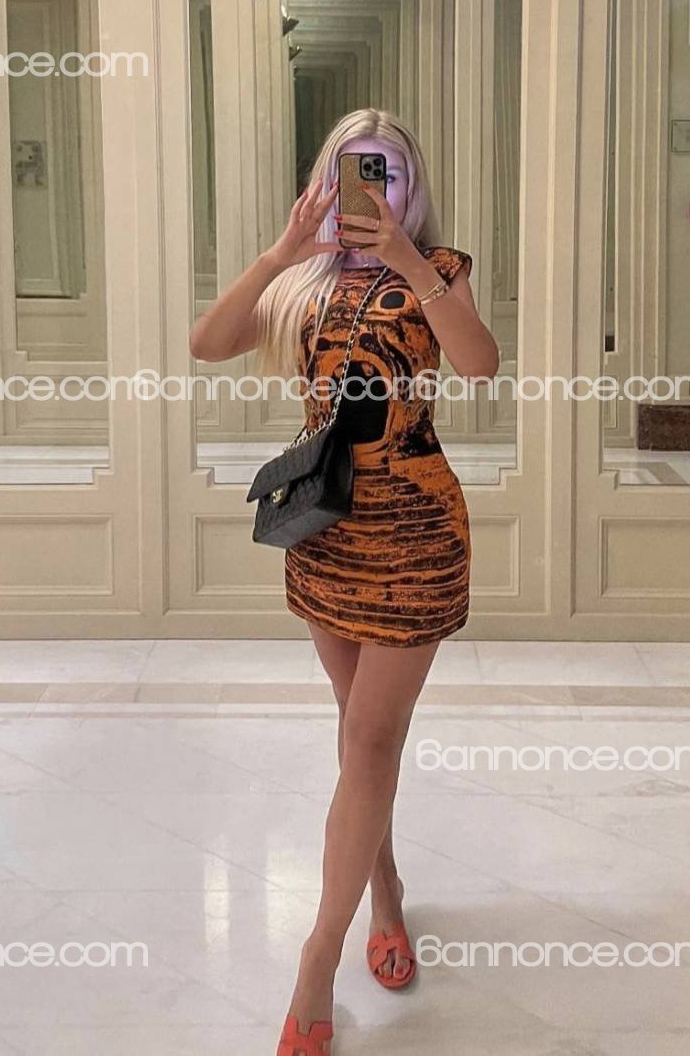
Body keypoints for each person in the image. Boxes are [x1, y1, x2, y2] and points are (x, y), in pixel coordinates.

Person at [189, 108, 500, 1056]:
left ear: (412, 187)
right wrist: (281, 251)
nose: (375, 189)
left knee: (369, 739)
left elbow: (480, 363)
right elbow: (208, 341)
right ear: (327, 183)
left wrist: (406, 259)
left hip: (416, 535)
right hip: (325, 533)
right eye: (355, 172)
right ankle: (385, 890)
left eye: (389, 173)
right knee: (361, 736)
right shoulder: (307, 279)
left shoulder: (438, 268)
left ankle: (316, 958)